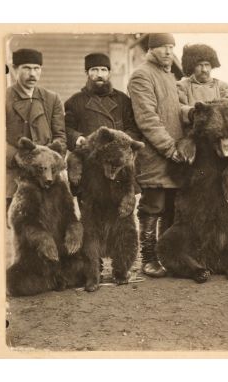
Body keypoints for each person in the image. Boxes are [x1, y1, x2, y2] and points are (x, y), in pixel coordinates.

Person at [127, 33, 186, 278]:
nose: (168, 52)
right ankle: (149, 259)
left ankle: (167, 257)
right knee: (152, 208)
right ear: (151, 49)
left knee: (171, 209)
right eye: (162, 47)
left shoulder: (169, 76)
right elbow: (147, 119)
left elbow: (174, 110)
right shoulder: (142, 75)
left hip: (173, 156)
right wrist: (169, 148)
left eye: (171, 47)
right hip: (155, 155)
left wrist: (190, 113)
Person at [6, 48, 66, 211]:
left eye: (36, 68)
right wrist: (17, 157)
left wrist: (51, 159)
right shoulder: (3, 97)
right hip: (14, 172)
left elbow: (60, 135)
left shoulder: (51, 98)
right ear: (14, 69)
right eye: (26, 68)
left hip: (45, 174)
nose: (32, 73)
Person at [64, 52, 137, 152]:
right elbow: (66, 129)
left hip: (117, 157)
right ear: (87, 73)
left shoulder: (122, 100)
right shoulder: (75, 101)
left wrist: (120, 144)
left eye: (104, 70)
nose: (99, 74)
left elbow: (133, 128)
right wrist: (77, 138)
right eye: (94, 70)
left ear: (109, 73)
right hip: (89, 158)